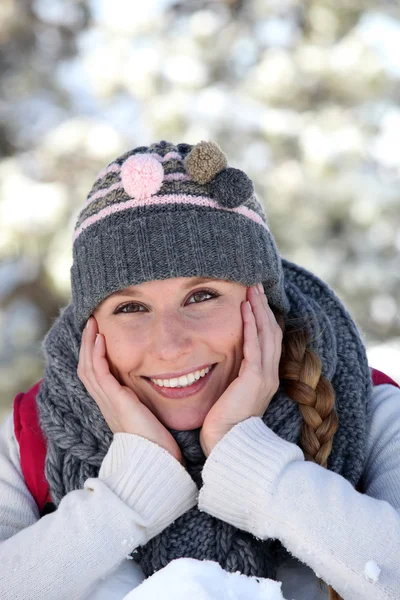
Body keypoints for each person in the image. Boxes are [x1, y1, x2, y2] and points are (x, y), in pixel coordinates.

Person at [0, 140, 399, 600]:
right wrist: (128, 492)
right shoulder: (32, 437)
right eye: (131, 307)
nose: (170, 346)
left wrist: (251, 460)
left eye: (202, 296)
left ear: (263, 304)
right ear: (91, 329)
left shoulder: (370, 413)